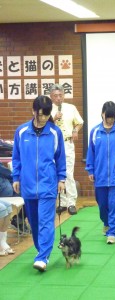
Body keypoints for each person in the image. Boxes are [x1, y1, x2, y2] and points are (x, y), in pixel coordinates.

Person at [12, 95, 66, 272]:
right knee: (34, 222)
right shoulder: (21, 132)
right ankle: (41, 250)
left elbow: (60, 158)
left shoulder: (54, 132)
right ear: (33, 111)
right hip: (27, 185)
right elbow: (17, 157)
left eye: (46, 115)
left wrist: (61, 179)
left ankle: (43, 256)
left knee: (45, 221)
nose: (42, 118)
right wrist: (16, 178)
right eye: (40, 114)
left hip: (48, 184)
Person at [85, 101, 115, 244]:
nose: (110, 120)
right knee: (102, 205)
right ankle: (106, 223)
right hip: (99, 176)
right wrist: (90, 170)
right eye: (108, 116)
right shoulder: (95, 132)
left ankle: (112, 232)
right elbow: (91, 153)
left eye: (113, 117)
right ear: (102, 114)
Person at [50, 84, 84, 215]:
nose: (58, 98)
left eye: (60, 95)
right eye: (55, 96)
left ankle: (71, 203)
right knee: (57, 173)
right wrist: (54, 118)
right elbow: (45, 125)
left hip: (67, 143)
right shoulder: (48, 109)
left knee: (68, 173)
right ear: (51, 96)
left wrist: (75, 130)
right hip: (53, 145)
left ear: (64, 95)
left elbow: (80, 122)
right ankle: (62, 202)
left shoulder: (71, 108)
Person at [0, 161, 29, 233]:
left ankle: (19, 220)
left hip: (7, 187)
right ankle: (18, 220)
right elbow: (7, 173)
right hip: (5, 191)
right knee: (28, 194)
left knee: (29, 194)